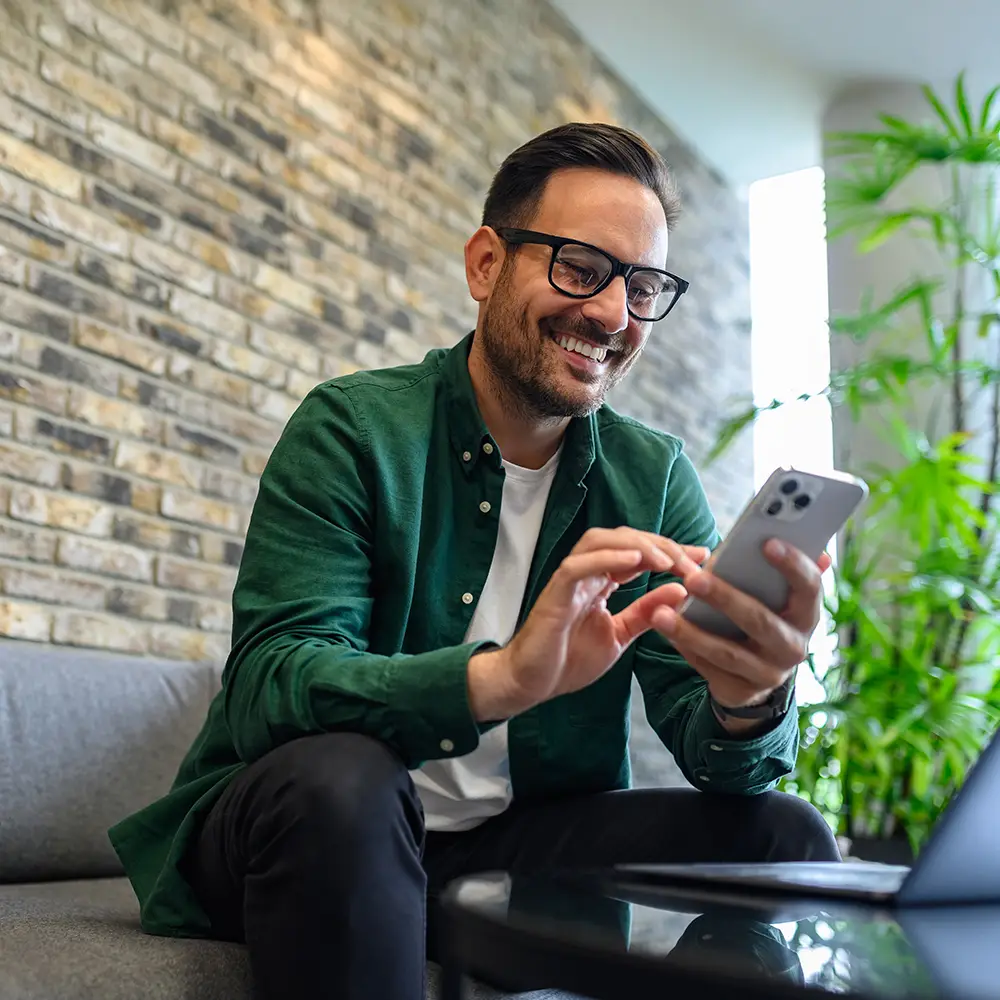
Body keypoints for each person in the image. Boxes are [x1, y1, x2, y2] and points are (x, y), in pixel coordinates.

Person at [109, 121, 840, 1000]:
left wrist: (746, 698)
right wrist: (499, 680)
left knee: (782, 836)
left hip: (510, 844)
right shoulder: (353, 428)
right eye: (579, 267)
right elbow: (274, 679)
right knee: (347, 780)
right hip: (313, 829)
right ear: (486, 265)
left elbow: (718, 755)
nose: (612, 312)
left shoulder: (653, 477)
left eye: (642, 286)